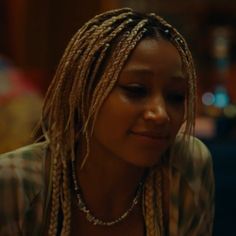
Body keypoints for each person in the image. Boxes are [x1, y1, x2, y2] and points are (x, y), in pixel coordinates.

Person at [0, 8, 214, 236]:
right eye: (136, 90)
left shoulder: (185, 167)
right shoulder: (14, 183)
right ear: (84, 93)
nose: (161, 114)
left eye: (176, 96)